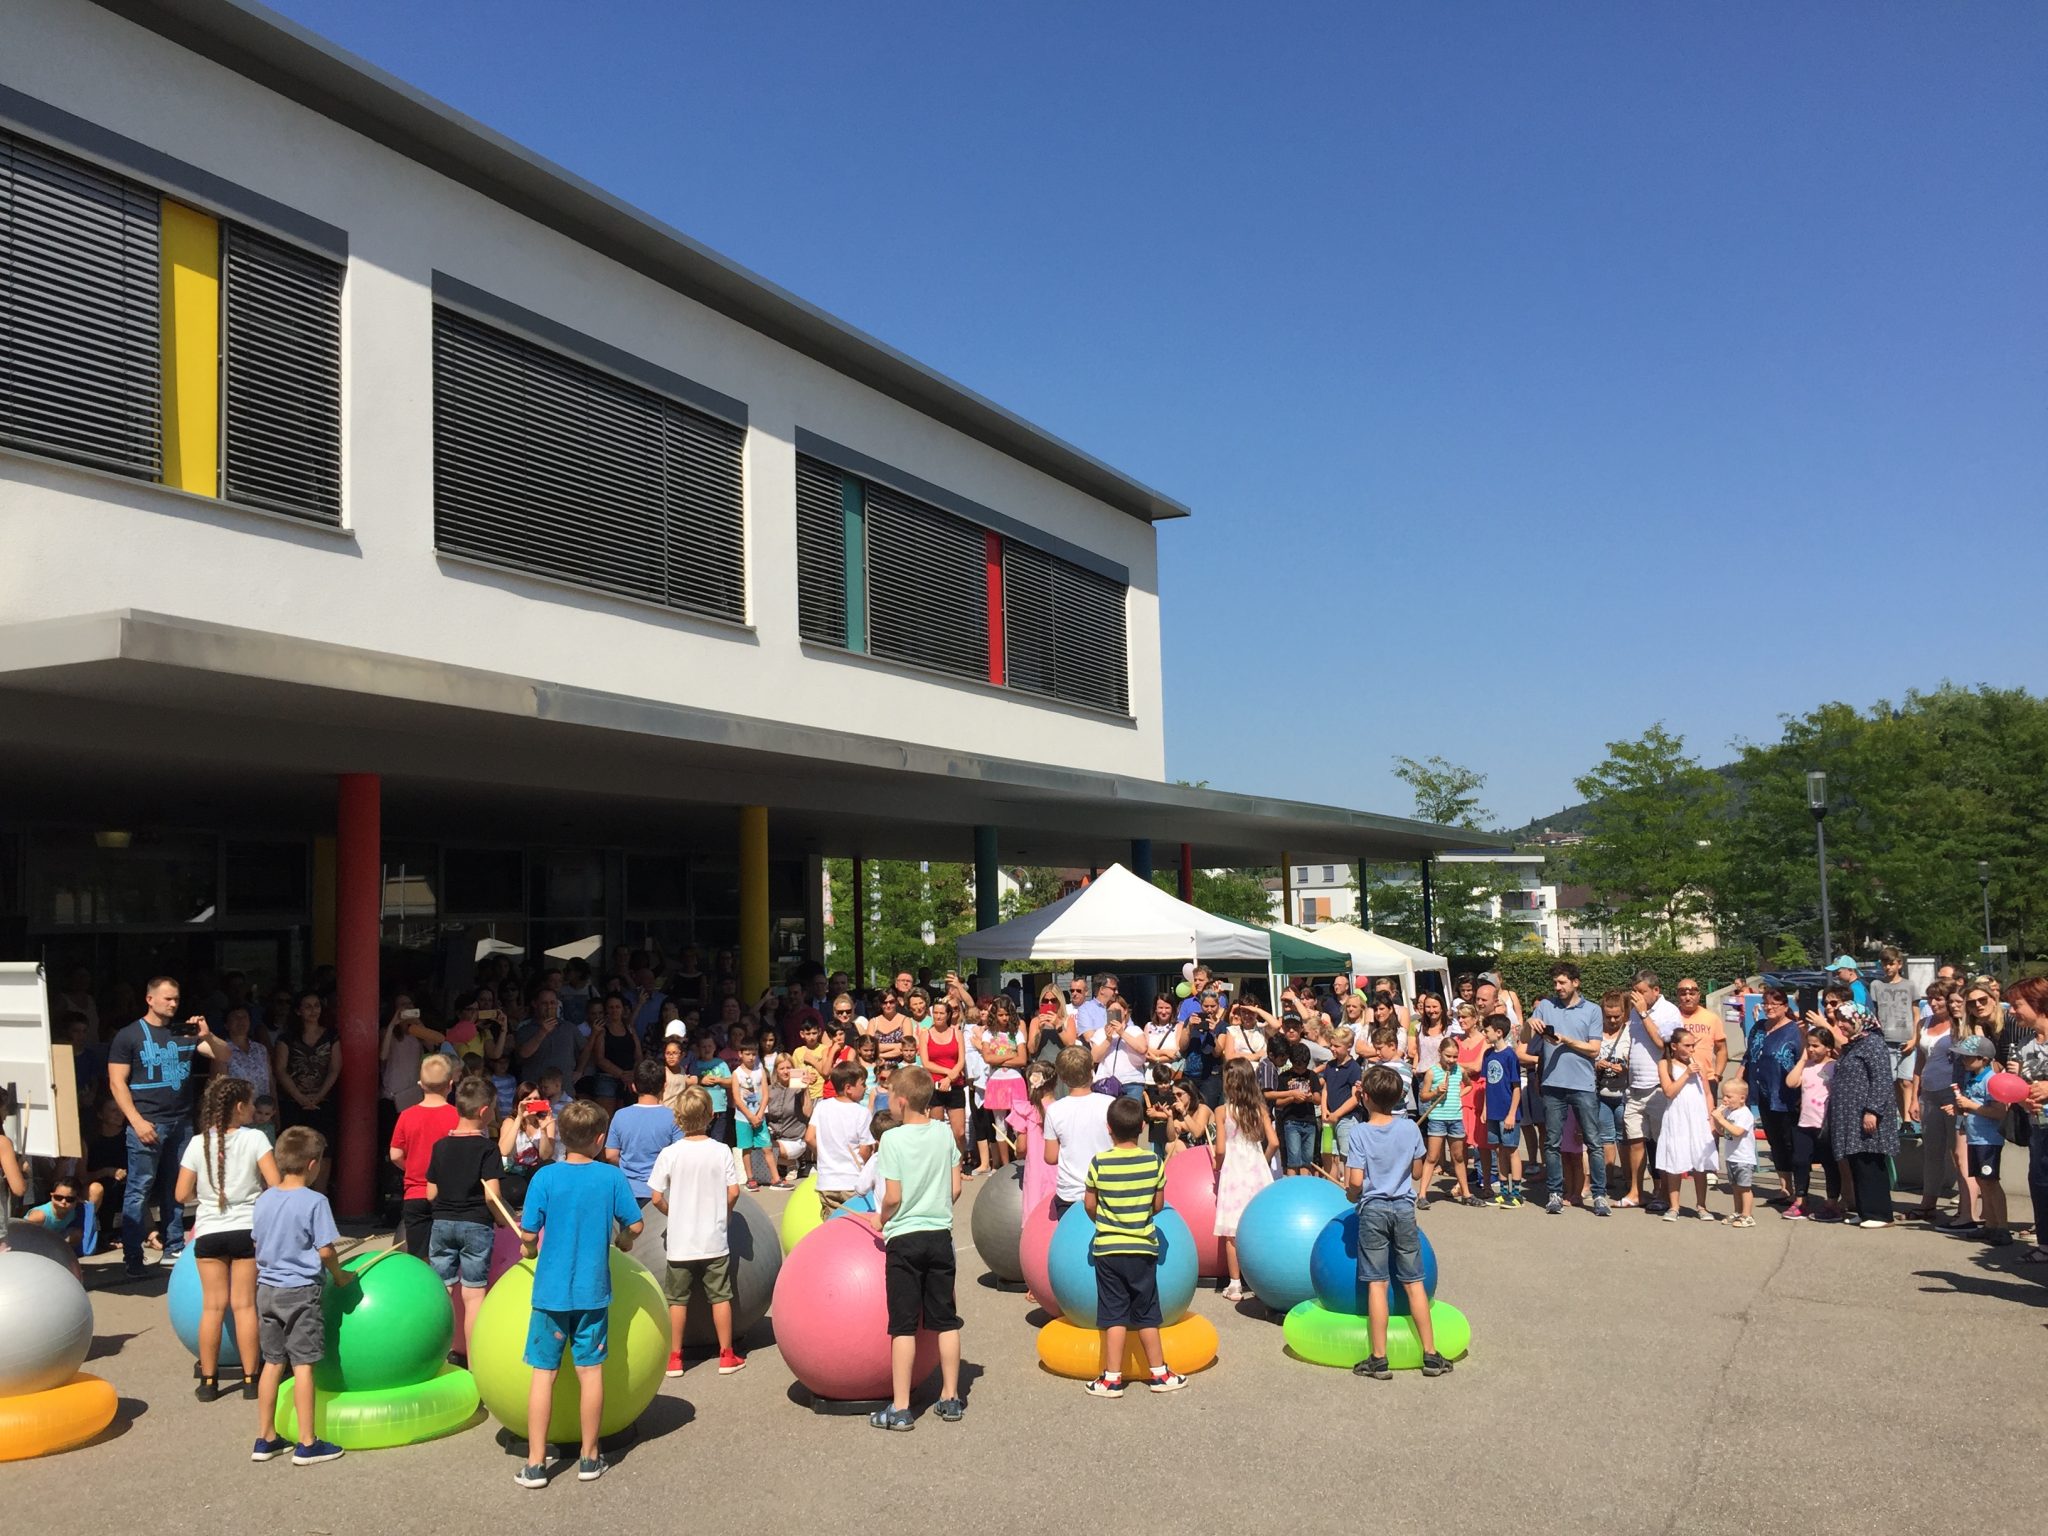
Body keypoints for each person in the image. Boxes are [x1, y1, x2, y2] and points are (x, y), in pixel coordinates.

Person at [514, 1099, 644, 1488]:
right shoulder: (611, 1178)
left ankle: (536, 1463)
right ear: (600, 1139)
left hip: (550, 1294)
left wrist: (528, 1248)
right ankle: (590, 1456)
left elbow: (527, 1233)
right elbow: (634, 1227)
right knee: (590, 1373)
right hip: (592, 1293)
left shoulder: (544, 1178)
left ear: (561, 1139)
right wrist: (621, 1241)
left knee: (543, 1375)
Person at [867, 1065, 965, 1430]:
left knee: (904, 1326)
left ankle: (901, 1407)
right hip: (939, 1234)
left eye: (890, 1094)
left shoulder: (891, 1140)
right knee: (945, 1320)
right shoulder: (942, 1133)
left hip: (904, 1238)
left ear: (902, 1100)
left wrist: (881, 1218)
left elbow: (893, 1196)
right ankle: (951, 1397)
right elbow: (955, 1189)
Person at [108, 975, 223, 1278]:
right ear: (150, 999)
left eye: (176, 998)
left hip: (182, 1121)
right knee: (139, 1189)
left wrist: (207, 1035)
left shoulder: (184, 1032)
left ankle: (174, 1246)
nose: (173, 1003)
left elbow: (224, 1055)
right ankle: (133, 1255)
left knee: (178, 1188)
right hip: (147, 1120)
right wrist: (136, 1121)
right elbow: (116, 1082)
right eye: (167, 998)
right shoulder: (129, 1035)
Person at [250, 1126, 350, 1466]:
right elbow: (325, 1251)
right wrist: (339, 1275)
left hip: (266, 1290)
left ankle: (265, 1438)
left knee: (273, 1362)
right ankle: (308, 1442)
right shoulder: (315, 1201)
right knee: (304, 1365)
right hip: (300, 1291)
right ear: (313, 1164)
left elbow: (258, 1243)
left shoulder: (263, 1199)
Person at [1344, 1063, 1450, 1381]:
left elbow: (1355, 1182)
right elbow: (1418, 1173)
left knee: (1377, 1283)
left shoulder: (1359, 1132)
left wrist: (1352, 1196)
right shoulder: (1409, 1128)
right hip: (1404, 1208)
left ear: (1365, 1098)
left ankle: (1379, 1359)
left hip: (1373, 1209)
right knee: (1413, 1281)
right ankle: (1430, 1355)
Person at [176, 1075, 278, 1400]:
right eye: (249, 1102)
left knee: (213, 1308)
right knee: (245, 1306)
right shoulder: (256, 1139)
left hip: (208, 1231)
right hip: (246, 1229)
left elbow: (181, 1194)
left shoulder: (197, 1143)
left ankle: (209, 1381)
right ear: (239, 1107)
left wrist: (206, 1197)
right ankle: (251, 1380)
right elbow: (275, 1184)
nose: (252, 1108)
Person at [1081, 1094, 1187, 1397]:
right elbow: (1158, 1205)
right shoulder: (1153, 1162)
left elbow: (1090, 1204)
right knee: (1147, 1313)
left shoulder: (1099, 1162)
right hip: (1142, 1249)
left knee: (1113, 1315)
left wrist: (1103, 1220)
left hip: (1108, 1249)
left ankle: (1111, 1379)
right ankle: (1159, 1373)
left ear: (1108, 1128)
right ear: (1143, 1126)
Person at [648, 1085, 746, 1379]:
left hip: (680, 1241)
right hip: (714, 1239)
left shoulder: (670, 1153)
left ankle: (675, 1357)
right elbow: (733, 1192)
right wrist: (724, 1213)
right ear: (712, 1115)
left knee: (677, 1299)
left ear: (677, 1119)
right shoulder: (720, 1150)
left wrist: (671, 1212)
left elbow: (655, 1196)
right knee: (720, 1296)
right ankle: (726, 1355)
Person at [426, 1075, 506, 1367]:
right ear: (484, 1111)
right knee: (473, 1296)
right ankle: (474, 1364)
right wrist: (504, 1221)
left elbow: (430, 1192)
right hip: (475, 1225)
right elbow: (491, 1195)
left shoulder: (440, 1146)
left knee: (443, 1290)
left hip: (442, 1223)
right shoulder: (487, 1149)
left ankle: (439, 1358)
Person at [1531, 963, 1611, 1217]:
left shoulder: (1593, 1010)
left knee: (1593, 1142)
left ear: (1575, 982)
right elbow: (1524, 1039)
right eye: (1555, 983)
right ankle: (1555, 1192)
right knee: (1552, 1143)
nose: (1558, 987)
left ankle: (1599, 1195)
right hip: (1552, 1084)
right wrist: (1530, 1021)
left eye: (1562, 982)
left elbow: (1594, 1049)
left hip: (1582, 1084)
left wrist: (1566, 1040)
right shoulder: (1545, 1006)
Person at [1828, 1003, 1901, 1231]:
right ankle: (1865, 1210)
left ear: (1860, 1019)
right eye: (1839, 1019)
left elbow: (1881, 1079)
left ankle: (1881, 1213)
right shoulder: (1854, 1045)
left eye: (1846, 1020)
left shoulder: (1873, 1044)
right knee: (1858, 1162)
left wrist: (1873, 1110)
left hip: (1867, 1115)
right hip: (1851, 1114)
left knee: (1870, 1162)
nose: (1841, 1024)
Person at [1212, 1057, 1276, 1301]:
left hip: (1234, 1170)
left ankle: (1235, 1284)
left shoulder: (1221, 1112)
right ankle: (1261, 1281)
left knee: (1232, 1231)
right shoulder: (1260, 1109)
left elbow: (1220, 1149)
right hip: (1256, 1167)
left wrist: (1216, 1165)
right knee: (1259, 1226)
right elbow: (1274, 1142)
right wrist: (1264, 1160)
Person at [385, 1054, 458, 1258]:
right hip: (448, 1194)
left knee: (417, 1255)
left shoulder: (406, 1115)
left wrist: (411, 1167)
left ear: (420, 1084)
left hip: (415, 1193)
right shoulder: (456, 1116)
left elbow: (395, 1154)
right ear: (450, 1085)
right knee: (447, 1254)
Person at [1739, 986, 1806, 1208]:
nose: (1769, 1007)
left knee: (1791, 1143)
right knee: (1775, 1141)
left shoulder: (1795, 1031)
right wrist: (1738, 1083)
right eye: (1766, 1003)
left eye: (1774, 1004)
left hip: (1788, 1095)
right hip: (1763, 1093)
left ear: (1785, 1007)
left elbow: (1805, 1061)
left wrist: (1803, 1093)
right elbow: (1748, 1058)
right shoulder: (1758, 1028)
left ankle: (1801, 1192)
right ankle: (1785, 1188)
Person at [1950, 1035, 2009, 1245]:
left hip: (1988, 1140)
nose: (1964, 1061)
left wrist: (1970, 1105)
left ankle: (2002, 1226)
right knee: (1982, 1182)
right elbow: (1973, 1106)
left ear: (1984, 1059)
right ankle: (1990, 1224)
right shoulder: (1972, 1078)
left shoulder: (1991, 1080)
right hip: (1975, 1138)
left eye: (1969, 1057)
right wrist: (1959, 1107)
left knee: (1991, 1182)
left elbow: (1999, 1112)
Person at [1654, 1028, 1718, 1221]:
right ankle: (1674, 1206)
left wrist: (1712, 1117)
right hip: (1677, 1117)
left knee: (1700, 1162)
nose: (1691, 1049)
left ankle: (1702, 1205)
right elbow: (1669, 1091)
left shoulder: (1698, 1064)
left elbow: (1707, 1093)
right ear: (1674, 1046)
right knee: (1675, 1159)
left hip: (1698, 1118)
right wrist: (1686, 1073)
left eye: (1693, 1045)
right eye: (1687, 1045)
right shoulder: (1665, 1064)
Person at [1043, 1045, 1113, 1220]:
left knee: (1071, 1244)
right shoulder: (1110, 1104)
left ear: (1062, 1077)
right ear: (1091, 1070)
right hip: (1107, 1187)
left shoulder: (1054, 1110)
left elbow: (1051, 1157)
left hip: (1070, 1192)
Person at [1783, 1027, 1843, 1220]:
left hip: (1825, 1124)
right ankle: (1801, 1200)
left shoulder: (1834, 1066)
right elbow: (1791, 1083)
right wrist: (1802, 1060)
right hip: (1805, 1123)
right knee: (1800, 1161)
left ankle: (1832, 1202)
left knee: (1829, 1163)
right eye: (1808, 1045)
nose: (1811, 1049)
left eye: (1816, 1046)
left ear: (1828, 1048)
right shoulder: (1806, 1066)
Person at [604, 1059, 682, 1204]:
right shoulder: (673, 1117)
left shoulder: (620, 1115)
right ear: (664, 1086)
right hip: (662, 1193)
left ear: (634, 1086)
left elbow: (610, 1155)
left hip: (627, 1191)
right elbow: (680, 1156)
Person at [806, 1060, 876, 1215]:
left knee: (832, 1225)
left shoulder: (822, 1106)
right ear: (848, 1088)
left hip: (827, 1181)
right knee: (854, 1225)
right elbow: (865, 1149)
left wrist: (825, 1153)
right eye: (862, 1084)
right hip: (852, 1181)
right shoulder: (862, 1112)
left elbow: (809, 1137)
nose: (866, 1088)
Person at [1416, 1038, 1471, 1208]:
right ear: (1440, 1053)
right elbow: (1423, 1095)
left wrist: (1458, 1096)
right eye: (1448, 1056)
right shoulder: (1432, 1072)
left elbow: (1469, 1085)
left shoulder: (1460, 1070)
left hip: (1455, 1118)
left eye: (1455, 1056)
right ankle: (1423, 1195)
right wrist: (1435, 1092)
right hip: (1437, 1119)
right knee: (1432, 1157)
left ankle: (1467, 1193)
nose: (1452, 1060)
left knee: (1459, 1157)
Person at [1867, 948, 1918, 1129]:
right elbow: (1873, 1012)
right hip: (1885, 1038)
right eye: (1884, 964)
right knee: (1889, 1080)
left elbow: (1915, 1012)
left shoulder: (1909, 985)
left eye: (1891, 963)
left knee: (1906, 1080)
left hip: (1906, 1037)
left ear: (1899, 964)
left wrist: (1914, 1038)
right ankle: (1893, 1116)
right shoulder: (1876, 985)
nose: (1887, 967)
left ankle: (1907, 1119)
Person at [1480, 1016, 1524, 1206]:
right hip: (1493, 1111)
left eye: (1487, 1030)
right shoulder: (1488, 1055)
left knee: (1511, 1150)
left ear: (1498, 1032)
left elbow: (1516, 1087)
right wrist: (1484, 1108)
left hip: (1508, 1112)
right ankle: (1503, 1190)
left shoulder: (1510, 1056)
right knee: (1499, 1151)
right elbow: (1487, 1084)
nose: (1484, 1033)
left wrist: (1512, 1113)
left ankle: (1516, 1193)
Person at [1273, 1042, 1321, 1176]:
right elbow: (1277, 1103)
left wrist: (1309, 1098)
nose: (1300, 1070)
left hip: (1309, 1121)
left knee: (1307, 1160)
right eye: (1297, 1067)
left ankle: (1304, 1187)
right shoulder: (1284, 1077)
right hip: (1291, 1122)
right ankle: (1291, 1186)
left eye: (1303, 1067)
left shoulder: (1312, 1076)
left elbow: (1318, 1099)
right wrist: (1292, 1098)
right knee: (1293, 1159)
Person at [1320, 1028, 1364, 1179]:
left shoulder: (1354, 1068)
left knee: (1346, 1156)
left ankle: (1348, 1188)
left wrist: (1337, 1114)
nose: (1333, 1049)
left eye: (1337, 1046)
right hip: (1329, 1117)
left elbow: (1355, 1098)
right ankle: (1332, 1185)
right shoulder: (1330, 1066)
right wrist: (1324, 1109)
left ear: (1348, 1046)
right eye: (1331, 1045)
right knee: (1330, 1154)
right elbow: (1325, 1089)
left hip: (1346, 1118)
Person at [764, 1056, 808, 1187]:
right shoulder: (770, 1090)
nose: (785, 1071)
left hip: (794, 1140)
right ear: (776, 1071)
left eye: (788, 1068)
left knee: (767, 1149)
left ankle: (792, 1162)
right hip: (775, 1138)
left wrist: (806, 1091)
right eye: (781, 1068)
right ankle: (787, 1163)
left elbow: (808, 1112)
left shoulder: (799, 1089)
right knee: (757, 1145)